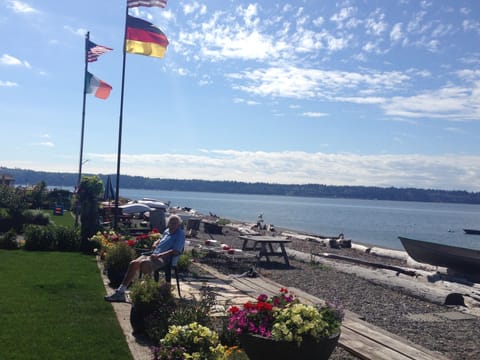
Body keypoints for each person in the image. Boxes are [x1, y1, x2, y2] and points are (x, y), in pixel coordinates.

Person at [104, 214, 185, 302]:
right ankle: (120, 292)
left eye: (175, 223)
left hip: (165, 258)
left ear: (178, 225)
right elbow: (161, 239)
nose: (172, 224)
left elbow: (176, 251)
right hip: (153, 255)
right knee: (133, 263)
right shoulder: (167, 231)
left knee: (144, 264)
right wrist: (156, 242)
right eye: (171, 222)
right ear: (168, 223)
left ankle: (148, 292)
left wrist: (159, 255)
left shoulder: (180, 234)